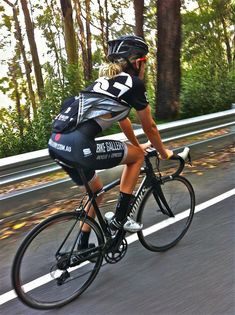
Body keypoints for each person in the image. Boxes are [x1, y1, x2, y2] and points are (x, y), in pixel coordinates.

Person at [48, 35, 173, 250]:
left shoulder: (103, 84)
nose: (145, 68)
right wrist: (163, 152)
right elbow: (149, 126)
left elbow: (123, 120)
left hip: (57, 144)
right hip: (79, 146)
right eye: (144, 62)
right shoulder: (133, 84)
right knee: (137, 158)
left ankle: (83, 245)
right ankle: (121, 218)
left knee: (97, 191)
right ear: (137, 63)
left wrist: (137, 145)